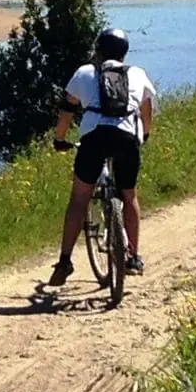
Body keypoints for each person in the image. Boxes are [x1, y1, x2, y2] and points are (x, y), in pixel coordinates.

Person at [46, 27, 157, 287]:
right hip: (127, 138)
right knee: (129, 195)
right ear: (124, 53)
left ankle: (64, 261)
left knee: (79, 197)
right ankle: (133, 257)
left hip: (94, 138)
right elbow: (147, 111)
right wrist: (145, 135)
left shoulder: (85, 73)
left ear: (98, 50)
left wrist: (59, 139)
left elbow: (66, 112)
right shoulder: (138, 74)